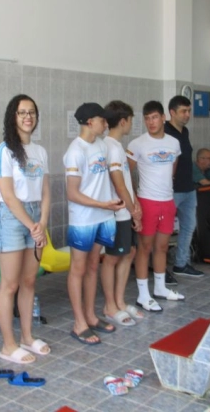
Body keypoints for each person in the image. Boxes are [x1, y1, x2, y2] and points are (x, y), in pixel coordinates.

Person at [0, 94, 50, 363]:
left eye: (32, 112)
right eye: (22, 112)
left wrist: (42, 223)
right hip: (12, 220)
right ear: (12, 117)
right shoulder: (3, 151)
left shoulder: (40, 152)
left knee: (29, 281)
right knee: (10, 284)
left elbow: (45, 191)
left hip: (35, 218)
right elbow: (9, 196)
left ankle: (27, 337)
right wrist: (32, 226)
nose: (28, 117)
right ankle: (8, 346)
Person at [64, 103, 124, 345]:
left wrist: (112, 203)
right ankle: (79, 323)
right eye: (102, 120)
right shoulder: (75, 151)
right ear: (90, 122)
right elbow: (72, 193)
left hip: (103, 216)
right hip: (83, 219)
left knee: (92, 266)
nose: (106, 124)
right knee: (77, 269)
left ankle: (90, 315)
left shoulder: (101, 145)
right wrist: (102, 204)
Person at [127, 101, 183, 311]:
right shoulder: (137, 144)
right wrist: (134, 201)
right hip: (147, 201)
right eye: (147, 118)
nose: (151, 122)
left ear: (163, 118)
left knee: (162, 247)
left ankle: (160, 288)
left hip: (167, 201)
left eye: (155, 117)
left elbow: (173, 168)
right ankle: (143, 295)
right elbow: (126, 173)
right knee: (145, 248)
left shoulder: (174, 143)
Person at [101, 100, 144, 327]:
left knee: (130, 253)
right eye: (130, 120)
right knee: (112, 258)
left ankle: (119, 300)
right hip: (117, 213)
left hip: (126, 210)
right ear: (123, 121)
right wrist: (132, 210)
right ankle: (110, 305)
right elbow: (118, 185)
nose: (131, 124)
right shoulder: (110, 147)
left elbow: (127, 181)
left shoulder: (118, 146)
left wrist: (136, 204)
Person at [165, 96, 204, 280]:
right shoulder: (165, 132)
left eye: (189, 111)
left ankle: (181, 263)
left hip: (188, 188)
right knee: (164, 231)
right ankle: (160, 269)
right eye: (183, 111)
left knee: (188, 226)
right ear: (172, 112)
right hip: (171, 190)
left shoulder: (185, 131)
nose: (187, 115)